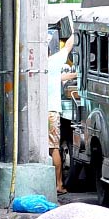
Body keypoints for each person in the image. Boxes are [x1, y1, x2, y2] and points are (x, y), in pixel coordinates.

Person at [48, 35, 77, 195]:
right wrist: (75, 28)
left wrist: (74, 75)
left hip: (37, 113)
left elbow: (57, 78)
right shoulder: (52, 62)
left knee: (46, 148)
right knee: (54, 148)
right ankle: (58, 184)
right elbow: (68, 46)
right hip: (51, 112)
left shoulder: (31, 68)